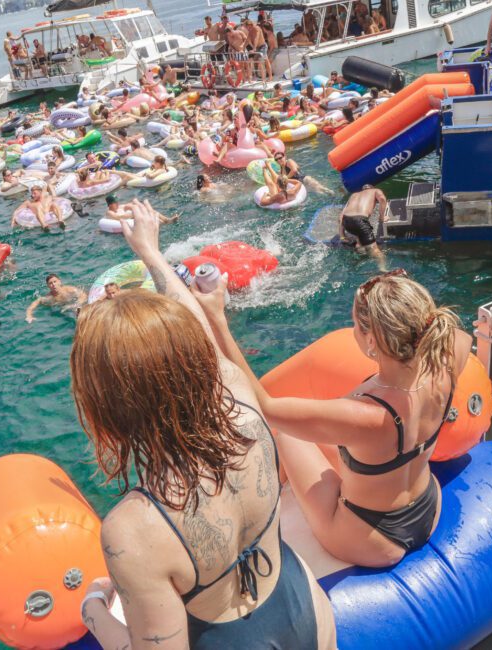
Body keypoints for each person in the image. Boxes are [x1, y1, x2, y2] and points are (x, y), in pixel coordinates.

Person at [70, 199, 336, 649]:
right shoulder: (244, 407)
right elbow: (200, 333)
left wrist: (93, 612)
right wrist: (151, 254)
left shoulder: (134, 529)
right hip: (305, 608)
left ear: (108, 410)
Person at [192, 267, 471, 569]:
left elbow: (266, 407)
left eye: (355, 323)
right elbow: (459, 335)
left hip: (372, 539)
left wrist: (217, 319)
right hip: (428, 509)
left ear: (372, 341)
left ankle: (259, 519)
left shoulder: (366, 416)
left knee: (287, 432)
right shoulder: (445, 365)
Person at [339, 185, 388, 269]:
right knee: (376, 251)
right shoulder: (376, 190)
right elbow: (383, 199)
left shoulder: (354, 195)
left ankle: (360, 255)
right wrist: (382, 217)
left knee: (359, 236)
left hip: (346, 221)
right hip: (359, 221)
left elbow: (341, 217)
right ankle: (383, 269)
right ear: (371, 188)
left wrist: (342, 236)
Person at [105, 194, 178, 224]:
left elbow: (129, 206)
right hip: (130, 220)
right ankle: (164, 222)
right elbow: (118, 217)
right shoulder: (109, 212)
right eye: (115, 202)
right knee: (143, 214)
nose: (118, 203)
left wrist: (136, 206)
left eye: (117, 202)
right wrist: (133, 213)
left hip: (132, 217)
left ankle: (166, 219)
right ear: (110, 205)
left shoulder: (121, 207)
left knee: (147, 209)